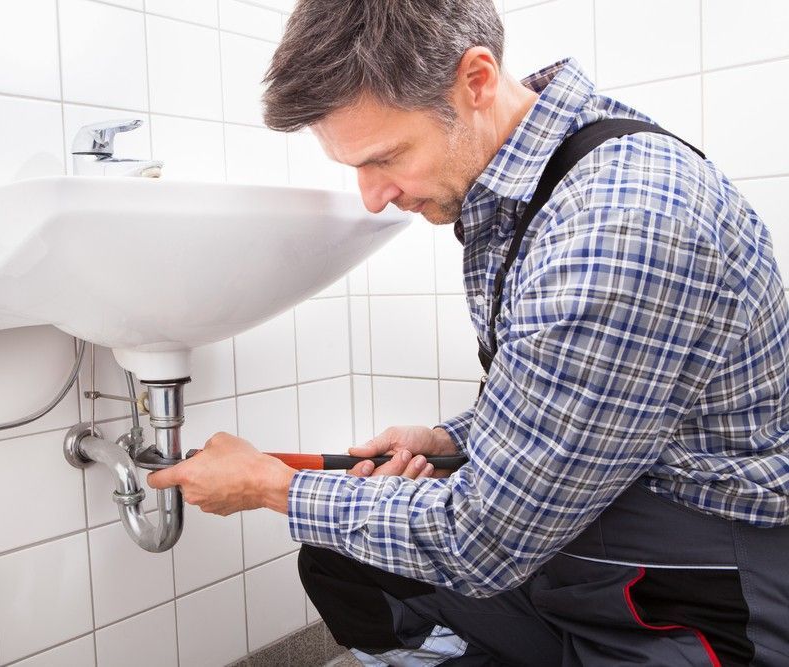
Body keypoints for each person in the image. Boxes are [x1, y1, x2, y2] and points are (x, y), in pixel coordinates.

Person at [148, 1, 789, 664]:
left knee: (380, 532)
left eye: (385, 157)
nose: (372, 196)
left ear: (476, 81)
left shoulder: (613, 229)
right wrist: (452, 437)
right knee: (347, 563)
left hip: (692, 594)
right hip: (585, 548)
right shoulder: (543, 183)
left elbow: (484, 542)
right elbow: (576, 398)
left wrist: (266, 484)